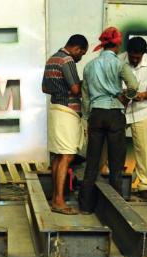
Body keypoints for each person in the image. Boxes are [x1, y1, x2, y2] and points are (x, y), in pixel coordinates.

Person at [79, 27, 138, 213]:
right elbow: (134, 86)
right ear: (118, 44)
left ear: (102, 45)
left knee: (92, 162)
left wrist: (87, 118)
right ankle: (114, 209)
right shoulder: (120, 65)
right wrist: (125, 97)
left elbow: (86, 96)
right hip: (115, 114)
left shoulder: (89, 66)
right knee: (115, 164)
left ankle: (86, 206)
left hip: (96, 114)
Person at [42, 34, 89, 215]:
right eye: (81, 54)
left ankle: (55, 197)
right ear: (77, 49)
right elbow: (76, 89)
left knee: (58, 156)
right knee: (67, 156)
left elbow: (44, 88)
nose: (80, 58)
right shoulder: (67, 60)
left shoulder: (52, 59)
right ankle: (60, 201)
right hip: (67, 110)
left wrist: (60, 90)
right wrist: (88, 81)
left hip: (55, 108)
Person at [120, 37, 147, 202]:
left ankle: (144, 185)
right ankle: (104, 179)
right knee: (108, 146)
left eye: (138, 57)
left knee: (143, 149)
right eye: (132, 57)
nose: (135, 60)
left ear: (143, 54)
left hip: (142, 111)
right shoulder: (118, 61)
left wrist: (142, 95)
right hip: (119, 111)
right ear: (127, 52)